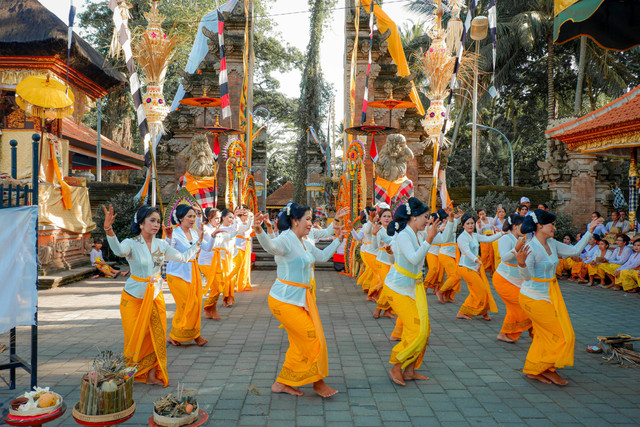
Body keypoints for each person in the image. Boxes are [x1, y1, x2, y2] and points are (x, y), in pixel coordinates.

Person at [103, 204, 203, 386]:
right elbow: (118, 251)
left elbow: (182, 258)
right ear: (141, 223)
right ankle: (129, 371)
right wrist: (109, 229)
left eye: (158, 221)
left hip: (156, 296)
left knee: (155, 336)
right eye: (152, 220)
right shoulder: (131, 243)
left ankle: (150, 374)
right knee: (136, 336)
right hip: (133, 297)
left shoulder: (161, 244)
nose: (156, 224)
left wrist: (198, 244)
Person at [253, 203, 346, 398]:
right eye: (309, 219)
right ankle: (318, 382)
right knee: (312, 338)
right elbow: (271, 247)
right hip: (283, 301)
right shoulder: (286, 239)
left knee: (299, 343)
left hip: (301, 299)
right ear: (295, 221)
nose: (312, 223)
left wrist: (338, 240)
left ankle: (282, 382)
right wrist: (259, 229)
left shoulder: (305, 240)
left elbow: (321, 257)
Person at [515, 209, 599, 386]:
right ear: (539, 226)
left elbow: (575, 249)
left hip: (550, 294)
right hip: (532, 297)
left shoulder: (552, 243)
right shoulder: (530, 246)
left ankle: (536, 368)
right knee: (563, 335)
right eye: (551, 224)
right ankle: (546, 368)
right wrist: (521, 263)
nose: (554, 227)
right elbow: (526, 277)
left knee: (544, 335)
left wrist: (590, 230)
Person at [384, 198, 440, 386]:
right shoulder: (403, 236)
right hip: (397, 288)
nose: (427, 221)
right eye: (425, 217)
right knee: (416, 329)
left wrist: (438, 231)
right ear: (413, 217)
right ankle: (396, 365)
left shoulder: (418, 234)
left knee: (425, 329)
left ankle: (409, 370)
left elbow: (441, 241)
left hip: (413, 287)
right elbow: (416, 259)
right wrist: (430, 238)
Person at [165, 205, 212, 347]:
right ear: (180, 218)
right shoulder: (175, 233)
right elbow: (168, 250)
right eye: (189, 216)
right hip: (176, 273)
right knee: (187, 305)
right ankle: (182, 334)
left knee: (196, 305)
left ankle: (192, 334)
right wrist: (168, 237)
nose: (192, 219)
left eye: (194, 216)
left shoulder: (195, 233)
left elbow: (207, 248)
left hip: (192, 272)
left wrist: (213, 236)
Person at [493, 214, 532, 343]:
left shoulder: (521, 238)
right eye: (523, 226)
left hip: (516, 280)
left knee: (514, 308)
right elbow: (504, 257)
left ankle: (505, 333)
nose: (525, 228)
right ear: (515, 226)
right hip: (503, 279)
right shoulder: (506, 238)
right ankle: (534, 332)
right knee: (522, 305)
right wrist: (516, 248)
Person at [456, 214, 503, 320]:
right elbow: (467, 251)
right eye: (467, 223)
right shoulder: (462, 238)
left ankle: (484, 312)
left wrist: (501, 233)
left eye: (472, 223)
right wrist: (476, 260)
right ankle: (463, 311)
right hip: (466, 267)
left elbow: (489, 239)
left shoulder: (475, 235)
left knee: (483, 289)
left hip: (476, 266)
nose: (470, 225)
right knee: (480, 290)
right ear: (463, 225)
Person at [200, 208, 235, 320]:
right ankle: (208, 307)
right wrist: (198, 215)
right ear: (209, 219)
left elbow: (234, 231)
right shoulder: (205, 228)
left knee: (220, 286)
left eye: (219, 218)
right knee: (216, 287)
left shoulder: (220, 229)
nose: (218, 220)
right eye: (215, 218)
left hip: (217, 261)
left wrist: (237, 218)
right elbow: (199, 227)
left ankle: (211, 310)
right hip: (205, 262)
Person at [370, 208, 395, 318]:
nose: (386, 218)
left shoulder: (395, 229)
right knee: (388, 286)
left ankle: (387, 310)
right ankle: (379, 309)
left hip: (393, 261)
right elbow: (374, 247)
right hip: (382, 261)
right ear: (380, 218)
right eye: (384, 216)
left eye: (389, 216)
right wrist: (374, 234)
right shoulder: (379, 230)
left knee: (392, 286)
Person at [437, 207, 465, 303]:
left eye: (448, 217)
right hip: (444, 254)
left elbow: (459, 219)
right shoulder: (442, 226)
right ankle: (440, 292)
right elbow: (441, 230)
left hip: (453, 253)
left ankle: (448, 296)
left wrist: (460, 213)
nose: (446, 220)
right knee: (455, 276)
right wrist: (444, 225)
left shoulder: (453, 223)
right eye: (444, 218)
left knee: (453, 276)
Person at [423, 209, 449, 297]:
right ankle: (425, 286)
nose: (437, 221)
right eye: (435, 220)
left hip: (441, 253)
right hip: (431, 252)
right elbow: (426, 235)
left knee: (440, 272)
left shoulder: (441, 226)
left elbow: (446, 227)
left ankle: (436, 288)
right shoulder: (428, 228)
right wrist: (428, 224)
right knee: (433, 270)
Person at [231, 205, 254, 294]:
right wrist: (236, 214)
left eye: (246, 213)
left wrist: (248, 213)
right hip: (238, 246)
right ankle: (234, 283)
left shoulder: (249, 221)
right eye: (244, 213)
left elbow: (256, 222)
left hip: (246, 246)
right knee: (237, 265)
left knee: (245, 266)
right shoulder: (237, 221)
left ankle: (243, 283)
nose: (246, 215)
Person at [476, 208, 496, 273]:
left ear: (485, 213)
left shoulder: (490, 219)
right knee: (484, 256)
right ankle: (481, 269)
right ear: (478, 215)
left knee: (492, 255)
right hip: (484, 240)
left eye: (483, 213)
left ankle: (492, 271)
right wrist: (479, 226)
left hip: (492, 238)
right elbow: (479, 233)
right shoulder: (478, 222)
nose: (482, 215)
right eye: (480, 214)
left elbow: (494, 226)